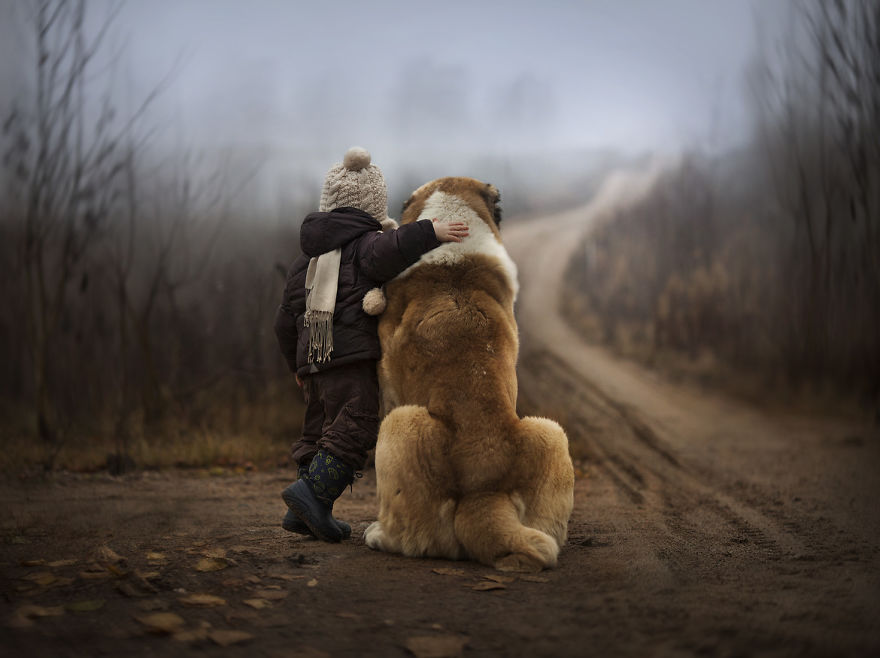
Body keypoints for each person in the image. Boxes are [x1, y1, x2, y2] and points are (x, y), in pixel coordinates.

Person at [274, 146, 468, 542]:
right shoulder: (365, 247)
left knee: (318, 432)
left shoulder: (303, 263)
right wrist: (433, 231)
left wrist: (296, 366)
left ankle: (308, 511)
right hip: (349, 359)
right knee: (356, 426)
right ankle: (312, 495)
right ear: (372, 209)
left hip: (312, 362)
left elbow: (283, 320)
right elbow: (393, 248)